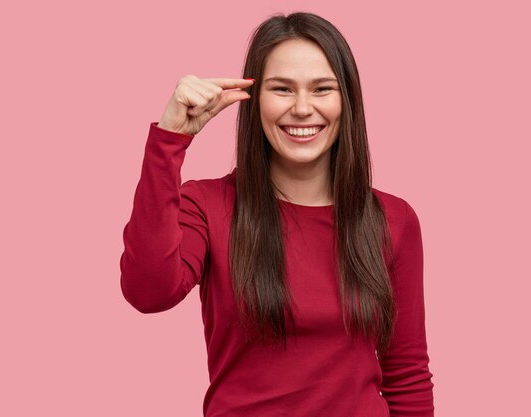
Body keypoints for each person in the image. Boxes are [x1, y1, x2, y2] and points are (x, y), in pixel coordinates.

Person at [120, 11, 434, 417]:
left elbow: (406, 374)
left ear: (347, 100)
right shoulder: (207, 205)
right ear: (253, 98)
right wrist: (169, 140)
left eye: (322, 89)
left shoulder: (393, 220)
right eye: (282, 89)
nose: (302, 108)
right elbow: (148, 292)